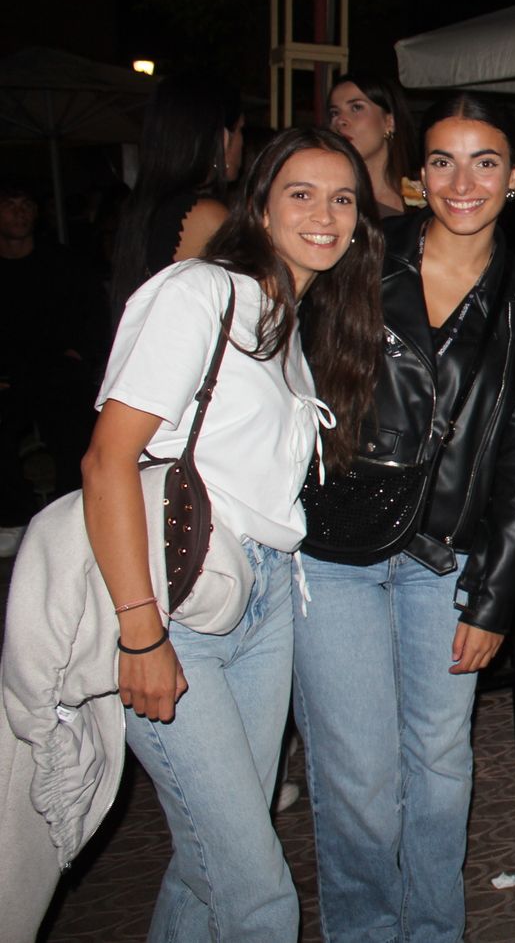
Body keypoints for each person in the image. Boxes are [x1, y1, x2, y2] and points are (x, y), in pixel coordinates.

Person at [81, 127, 385, 939]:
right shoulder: (199, 293)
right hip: (179, 604)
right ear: (258, 204)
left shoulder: (285, 321)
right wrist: (141, 636)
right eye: (301, 193)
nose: (325, 214)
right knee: (259, 891)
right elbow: (106, 460)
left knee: (209, 857)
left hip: (265, 601)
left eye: (343, 198)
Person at [293, 91, 515, 942]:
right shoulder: (359, 259)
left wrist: (496, 596)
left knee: (441, 765)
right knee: (357, 777)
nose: (463, 180)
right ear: (416, 178)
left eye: (485, 161)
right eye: (443, 160)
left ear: (514, 178)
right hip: (335, 546)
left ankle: (434, 931)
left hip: (446, 556)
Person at [0, 184, 99, 557]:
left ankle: (69, 518)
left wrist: (79, 354)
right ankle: (13, 515)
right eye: (10, 203)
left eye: (26, 203)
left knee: (74, 426)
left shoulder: (61, 262)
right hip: (9, 375)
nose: (20, 212)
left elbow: (90, 315)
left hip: (57, 370)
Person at [111, 69, 244, 319]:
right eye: (240, 130)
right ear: (222, 138)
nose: (241, 144)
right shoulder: (205, 215)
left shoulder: (145, 205)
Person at [328, 72, 418, 220]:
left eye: (356, 108)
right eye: (334, 113)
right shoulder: (330, 194)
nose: (340, 121)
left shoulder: (423, 191)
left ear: (389, 122)